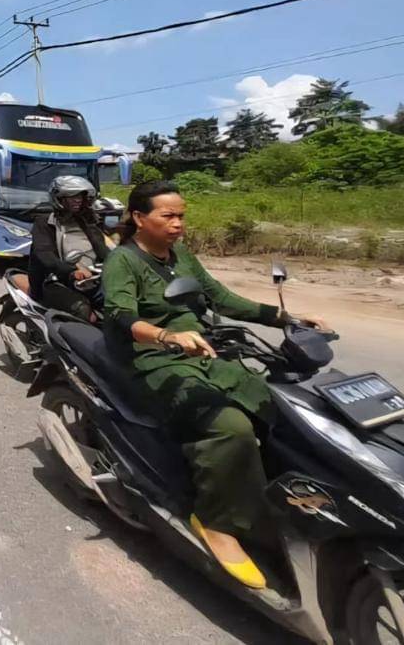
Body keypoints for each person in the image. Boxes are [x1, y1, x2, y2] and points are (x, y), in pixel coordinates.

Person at [101, 180, 327, 589]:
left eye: (181, 216)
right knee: (230, 429)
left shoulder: (180, 255)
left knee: (272, 406)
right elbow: (119, 316)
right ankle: (216, 522)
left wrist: (285, 319)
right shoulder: (124, 262)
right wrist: (168, 336)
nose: (177, 224)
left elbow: (221, 298)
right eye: (167, 216)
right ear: (138, 218)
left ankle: (267, 499)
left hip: (203, 350)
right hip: (153, 359)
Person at [27, 175, 112, 320]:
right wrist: (72, 271)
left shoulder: (86, 221)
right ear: (59, 198)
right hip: (55, 281)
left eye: (80, 195)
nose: (78, 199)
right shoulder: (45, 222)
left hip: (91, 280)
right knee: (83, 311)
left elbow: (103, 249)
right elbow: (45, 255)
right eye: (71, 195)